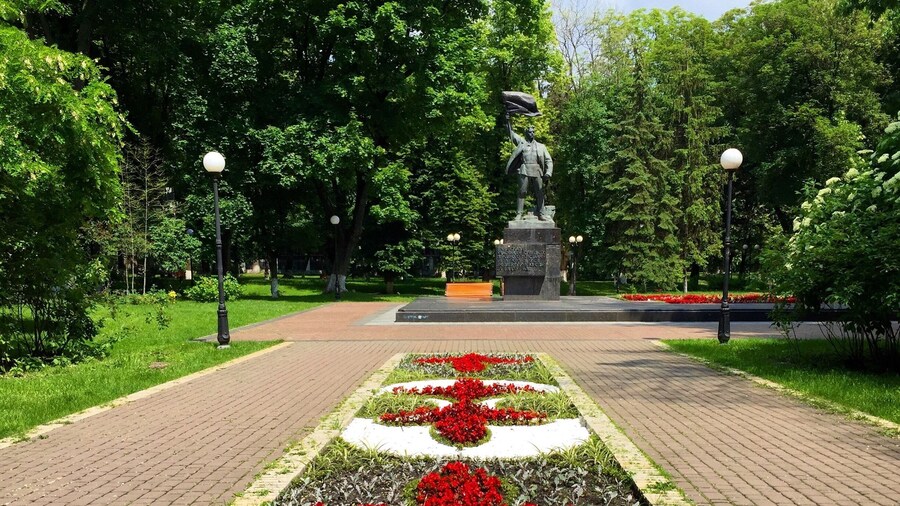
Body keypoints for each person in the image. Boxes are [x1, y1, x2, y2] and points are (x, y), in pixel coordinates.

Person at [505, 117, 553, 220]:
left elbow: (548, 160)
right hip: (524, 169)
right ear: (526, 133)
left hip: (537, 170)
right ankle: (519, 214)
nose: (532, 134)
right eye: (530, 132)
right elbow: (511, 134)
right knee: (522, 192)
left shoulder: (541, 146)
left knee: (539, 193)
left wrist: (548, 172)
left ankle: (541, 213)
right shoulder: (521, 143)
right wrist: (507, 121)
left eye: (533, 132)